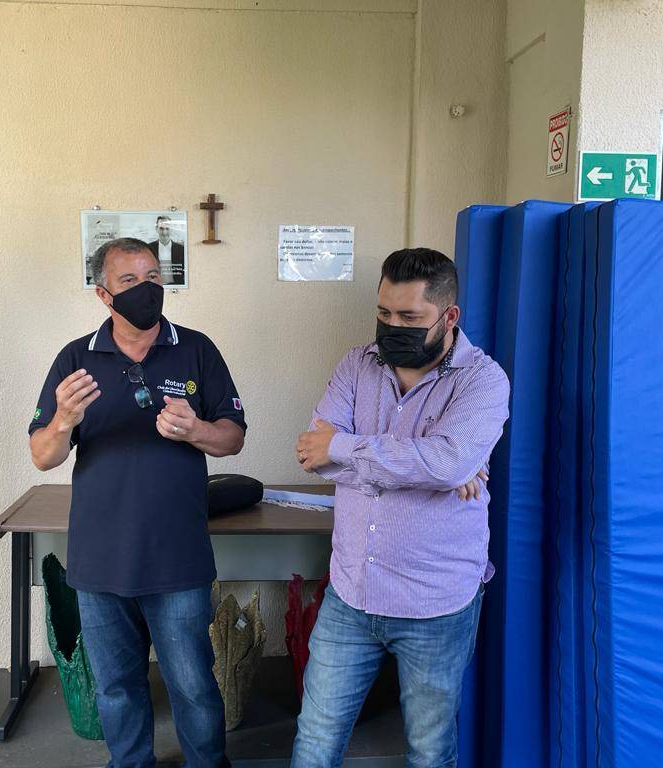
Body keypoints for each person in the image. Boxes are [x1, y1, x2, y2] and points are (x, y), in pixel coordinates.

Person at [29, 237, 245, 767]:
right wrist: (64, 421)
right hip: (100, 559)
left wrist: (196, 430)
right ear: (103, 295)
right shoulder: (76, 359)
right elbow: (42, 456)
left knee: (193, 685)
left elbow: (233, 438)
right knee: (116, 687)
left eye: (153, 277)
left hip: (178, 556)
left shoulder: (197, 349)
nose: (146, 289)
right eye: (129, 281)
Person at [290, 248, 510, 768]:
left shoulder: (482, 380)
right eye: (384, 313)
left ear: (449, 316)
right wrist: (433, 467)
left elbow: (444, 464)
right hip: (351, 593)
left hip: (436, 602)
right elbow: (313, 456)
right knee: (315, 741)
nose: (393, 327)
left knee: (430, 751)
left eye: (410, 317)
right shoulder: (356, 363)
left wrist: (347, 448)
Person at [147, 215, 186, 286]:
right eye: (161, 228)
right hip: (154, 286)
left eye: (167, 228)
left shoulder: (181, 249)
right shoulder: (149, 248)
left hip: (176, 286)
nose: (164, 232)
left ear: (171, 229)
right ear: (156, 229)